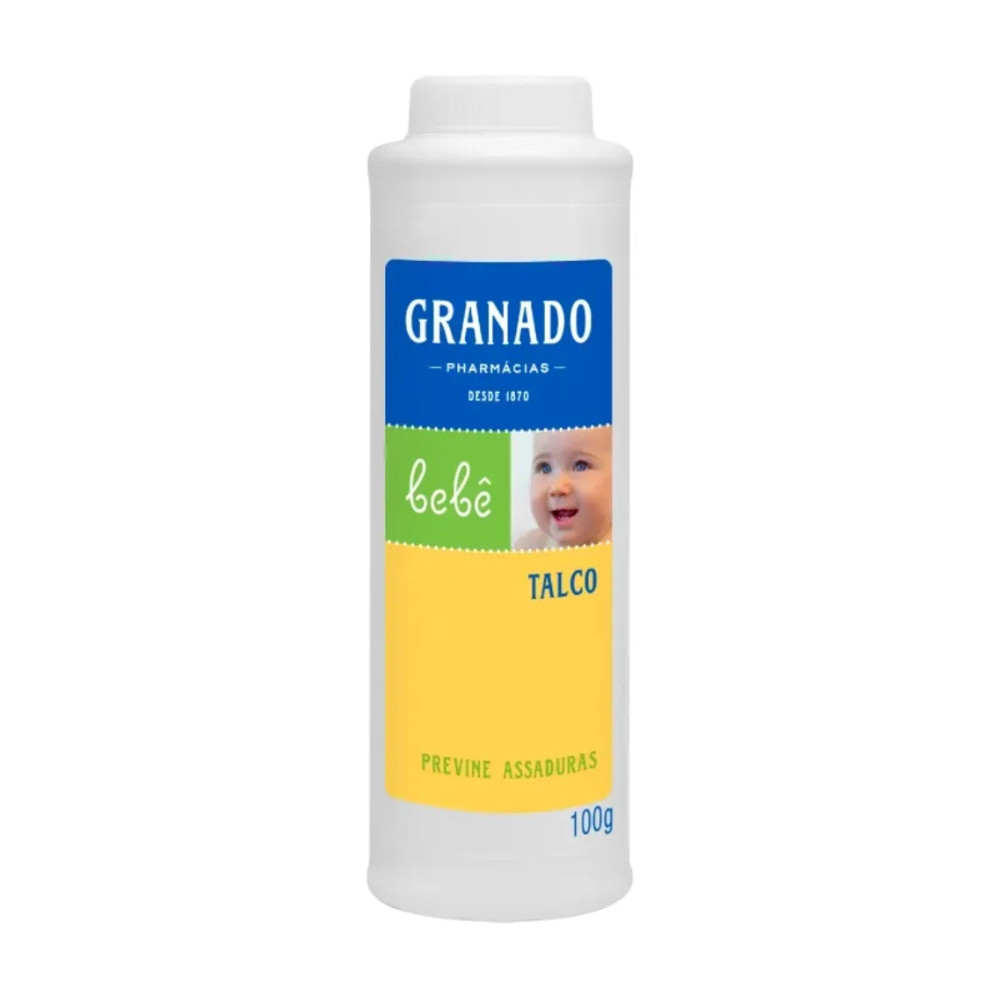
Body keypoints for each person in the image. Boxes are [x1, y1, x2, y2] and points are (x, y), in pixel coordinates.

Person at [514, 426, 612, 549]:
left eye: (580, 466)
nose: (557, 487)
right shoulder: (529, 547)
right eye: (545, 468)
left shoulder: (624, 550)